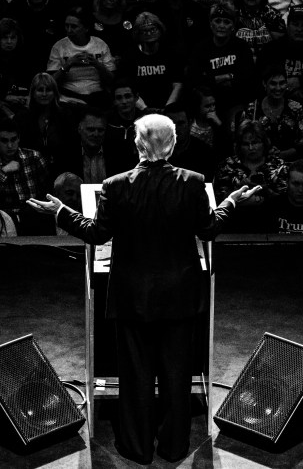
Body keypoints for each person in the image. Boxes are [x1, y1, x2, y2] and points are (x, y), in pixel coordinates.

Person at [27, 113, 260, 465]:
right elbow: (209, 229)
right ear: (173, 144)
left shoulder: (116, 185)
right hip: (179, 297)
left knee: (135, 377)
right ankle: (173, 447)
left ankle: (136, 448)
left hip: (132, 297)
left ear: (137, 144)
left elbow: (96, 233)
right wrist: (231, 203)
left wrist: (60, 211)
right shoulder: (193, 182)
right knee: (176, 375)